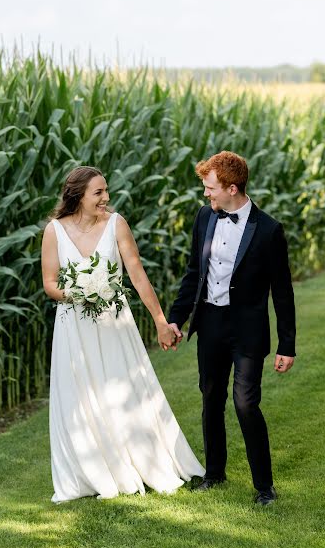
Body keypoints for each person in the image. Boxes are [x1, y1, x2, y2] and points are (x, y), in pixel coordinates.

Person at [41, 166, 204, 503]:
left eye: (106, 191)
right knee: (81, 396)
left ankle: (142, 461)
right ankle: (92, 472)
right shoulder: (54, 231)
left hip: (115, 323)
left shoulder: (116, 225)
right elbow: (50, 283)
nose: (106, 198)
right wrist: (81, 292)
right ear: (78, 195)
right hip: (74, 327)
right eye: (98, 193)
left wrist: (160, 321)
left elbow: (138, 276)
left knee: (124, 390)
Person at [168, 151, 296, 506]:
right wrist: (176, 318)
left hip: (247, 331)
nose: (206, 194)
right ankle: (214, 473)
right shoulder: (204, 217)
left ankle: (264, 488)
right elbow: (194, 274)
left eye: (211, 188)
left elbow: (282, 293)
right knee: (211, 398)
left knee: (245, 403)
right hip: (210, 323)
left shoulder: (269, 231)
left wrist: (287, 344)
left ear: (232, 188)